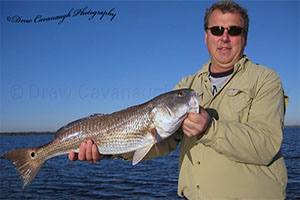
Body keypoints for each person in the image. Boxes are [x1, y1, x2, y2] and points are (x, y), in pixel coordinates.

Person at [69, 1, 289, 199]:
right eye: (216, 30)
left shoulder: (265, 80)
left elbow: (267, 145)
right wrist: (106, 151)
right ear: (206, 37)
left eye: (234, 30)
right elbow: (165, 141)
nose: (224, 37)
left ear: (245, 38)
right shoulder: (188, 84)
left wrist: (210, 128)